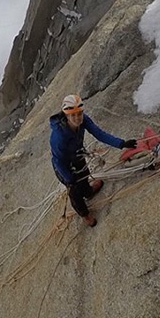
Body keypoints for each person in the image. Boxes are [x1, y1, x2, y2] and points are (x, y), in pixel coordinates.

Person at [49, 94, 136, 226]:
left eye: (79, 113)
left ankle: (88, 192)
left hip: (77, 156)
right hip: (64, 166)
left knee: (84, 176)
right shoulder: (58, 137)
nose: (77, 118)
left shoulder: (83, 121)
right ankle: (84, 213)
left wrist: (121, 143)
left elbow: (99, 134)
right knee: (75, 192)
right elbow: (58, 161)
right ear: (66, 115)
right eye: (73, 115)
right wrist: (69, 178)